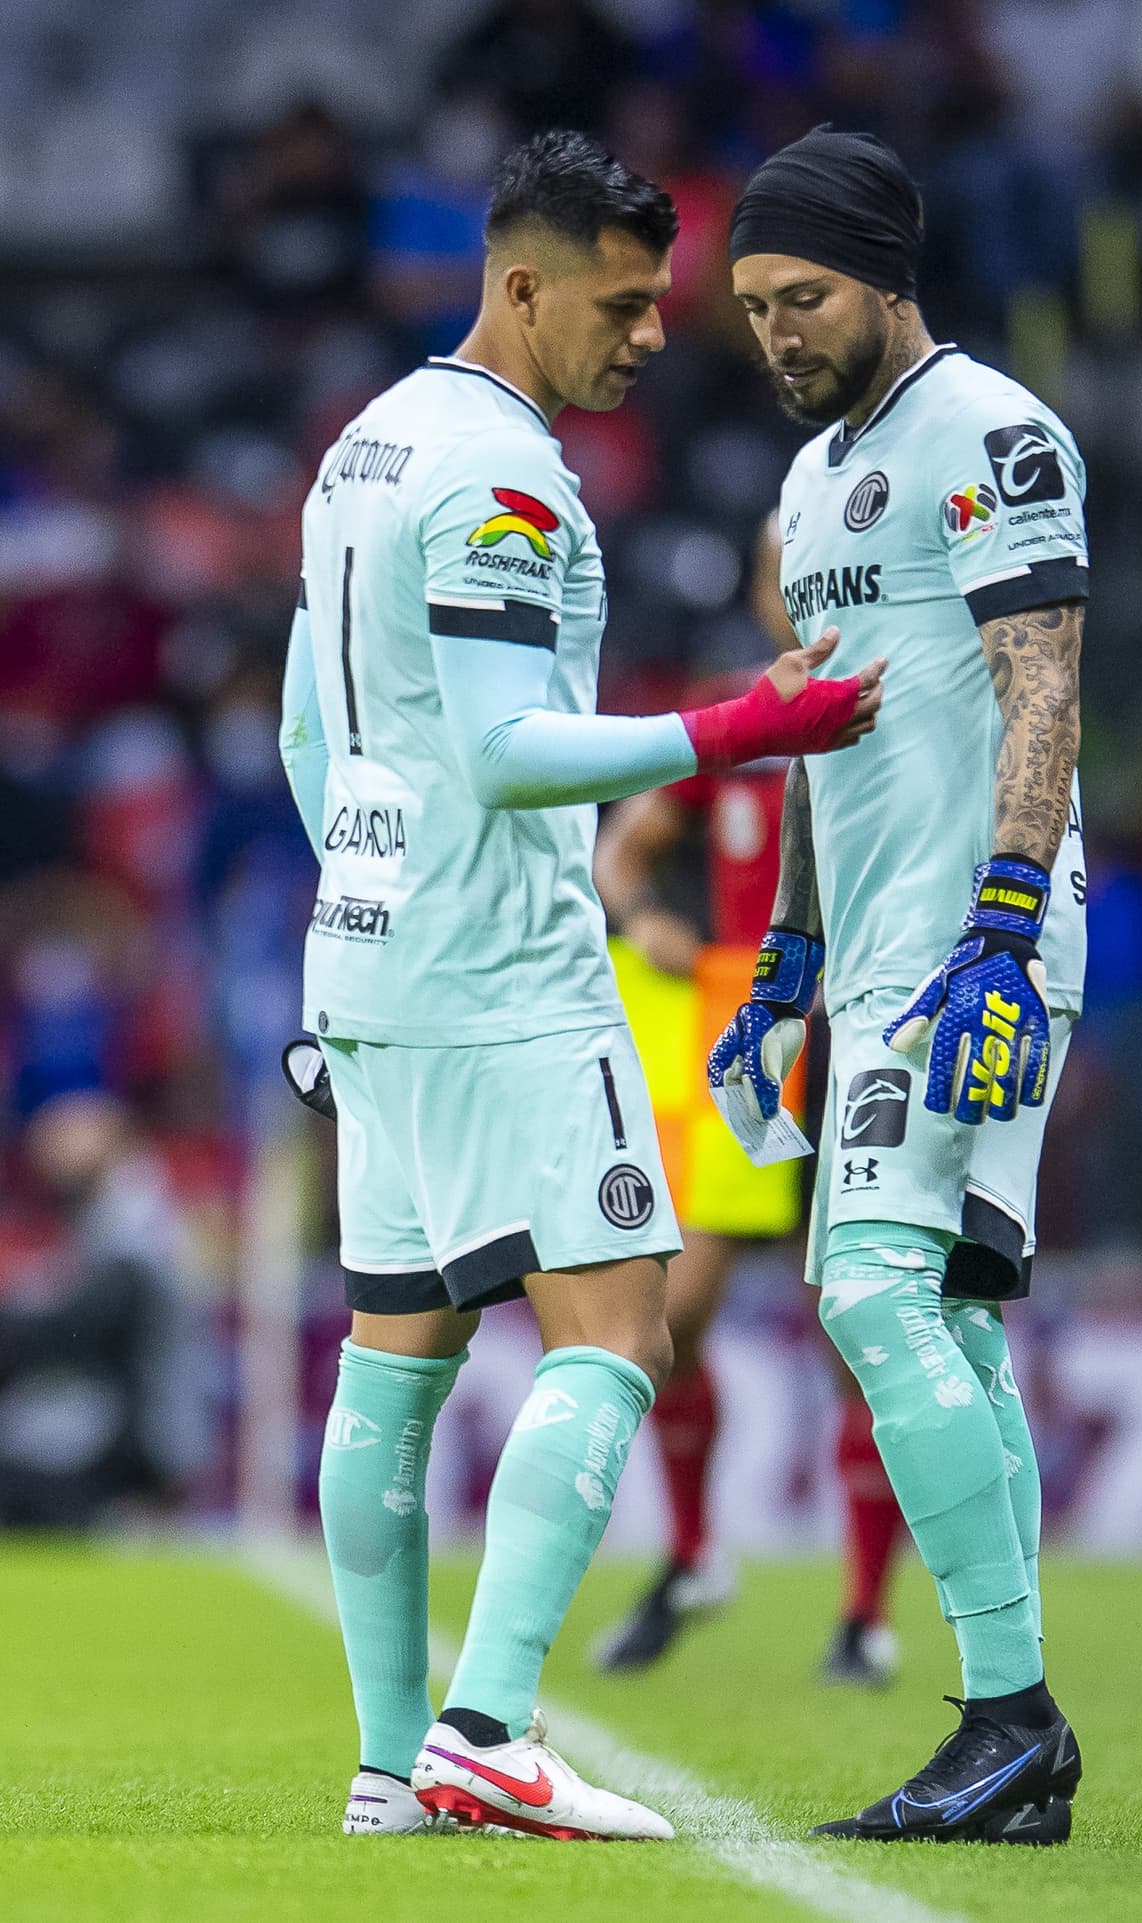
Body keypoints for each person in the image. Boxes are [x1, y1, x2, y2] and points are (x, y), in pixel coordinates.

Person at [278, 128, 884, 1844]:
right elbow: (506, 750)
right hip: (511, 973)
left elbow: (306, 732)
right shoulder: (507, 482)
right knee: (622, 1330)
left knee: (392, 1367)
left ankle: (394, 1763)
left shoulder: (362, 448)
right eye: (621, 304)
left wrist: (360, 903)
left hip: (376, 967)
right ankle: (485, 1721)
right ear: (522, 283)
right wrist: (739, 729)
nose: (649, 336)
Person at [711, 127, 1087, 1845]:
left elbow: (1046, 683)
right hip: (865, 956)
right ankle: (1013, 1736)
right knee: (941, 1309)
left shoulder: (996, 433)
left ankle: (1008, 1712)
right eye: (752, 307)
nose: (777, 333)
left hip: (968, 944)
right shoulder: (806, 488)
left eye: (802, 298)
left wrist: (1004, 919)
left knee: (869, 1285)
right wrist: (785, 956)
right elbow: (811, 738)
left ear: (884, 276)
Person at [590, 530, 906, 1686]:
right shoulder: (735, 718)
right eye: (778, 567)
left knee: (853, 1323)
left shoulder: (903, 705)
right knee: (669, 1318)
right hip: (748, 1041)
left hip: (869, 1039)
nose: (791, 587)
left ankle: (864, 1613)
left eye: (810, 563)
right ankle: (688, 1555)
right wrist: (644, 924)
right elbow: (620, 854)